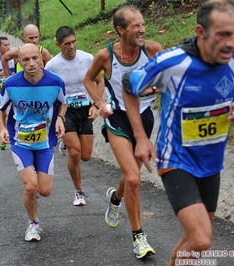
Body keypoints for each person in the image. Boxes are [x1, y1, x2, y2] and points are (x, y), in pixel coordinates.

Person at [122, 1, 234, 265]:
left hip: (211, 163)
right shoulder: (172, 63)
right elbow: (129, 86)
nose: (231, 42)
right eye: (223, 34)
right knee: (201, 239)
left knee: (194, 241)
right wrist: (140, 138)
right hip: (176, 159)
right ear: (201, 31)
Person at [83, 5, 163, 259]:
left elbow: (167, 79)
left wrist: (157, 88)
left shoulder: (152, 49)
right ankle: (139, 238)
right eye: (135, 26)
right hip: (117, 118)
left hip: (145, 118)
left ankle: (115, 198)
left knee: (132, 177)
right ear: (121, 30)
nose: (142, 29)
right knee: (134, 178)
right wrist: (99, 102)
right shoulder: (105, 56)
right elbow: (88, 80)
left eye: (142, 24)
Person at [0, 43, 67, 242]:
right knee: (31, 187)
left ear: (42, 58)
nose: (31, 63)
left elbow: (63, 102)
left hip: (45, 142)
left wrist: (60, 118)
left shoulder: (56, 81)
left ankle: (33, 204)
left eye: (35, 58)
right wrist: (2, 128)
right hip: (20, 141)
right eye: (25, 60)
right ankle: (32, 223)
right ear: (19, 62)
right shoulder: (11, 84)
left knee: (45, 191)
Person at [45, 26, 104, 206]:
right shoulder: (52, 65)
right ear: (58, 45)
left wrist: (96, 104)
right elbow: (48, 92)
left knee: (85, 156)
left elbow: (100, 81)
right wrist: (54, 116)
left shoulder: (87, 58)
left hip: (85, 110)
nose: (71, 47)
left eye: (73, 42)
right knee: (75, 153)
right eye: (66, 44)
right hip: (65, 112)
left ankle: (66, 144)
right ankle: (79, 191)